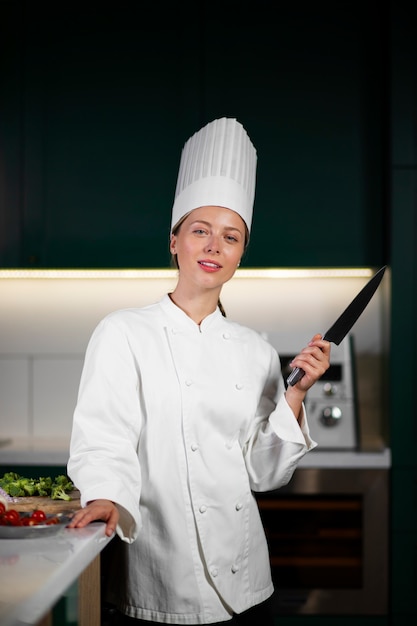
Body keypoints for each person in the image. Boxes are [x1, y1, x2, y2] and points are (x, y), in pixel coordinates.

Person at [67, 117, 330, 625]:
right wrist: (104, 496)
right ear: (174, 241)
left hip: (247, 585)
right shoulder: (123, 332)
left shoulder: (256, 350)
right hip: (158, 578)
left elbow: (264, 473)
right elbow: (105, 438)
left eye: (230, 237)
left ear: (239, 256)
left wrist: (297, 395)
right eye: (200, 230)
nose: (214, 245)